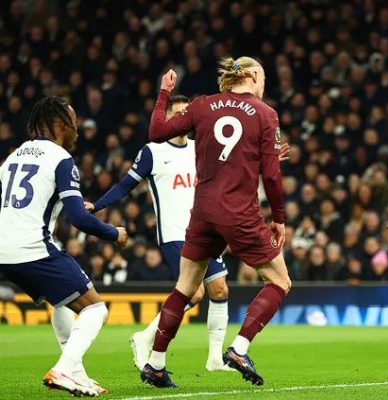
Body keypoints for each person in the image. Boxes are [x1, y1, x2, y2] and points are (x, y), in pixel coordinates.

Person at [140, 57, 291, 388]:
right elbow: (271, 175)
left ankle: (155, 363)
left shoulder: (202, 105)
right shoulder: (266, 115)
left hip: (203, 212)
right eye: (262, 77)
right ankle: (239, 348)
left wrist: (165, 93)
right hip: (239, 211)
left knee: (184, 287)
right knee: (280, 282)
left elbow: (156, 132)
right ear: (252, 75)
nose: (264, 85)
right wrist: (278, 218)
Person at [86, 95, 232, 372]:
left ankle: (214, 358)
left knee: (220, 289)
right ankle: (145, 338)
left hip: (205, 231)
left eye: (185, 114)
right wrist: (98, 204)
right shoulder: (153, 151)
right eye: (175, 114)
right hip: (175, 233)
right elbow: (125, 185)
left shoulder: (201, 147)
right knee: (196, 292)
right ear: (166, 118)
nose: (181, 119)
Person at [0, 96, 128, 396]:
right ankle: (63, 369)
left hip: (4, 250)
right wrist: (114, 234)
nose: (78, 130)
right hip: (32, 248)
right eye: (74, 122)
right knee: (95, 308)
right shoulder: (61, 158)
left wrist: (60, 201)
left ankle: (77, 374)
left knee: (61, 301)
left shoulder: (14, 156)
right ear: (61, 125)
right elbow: (79, 220)